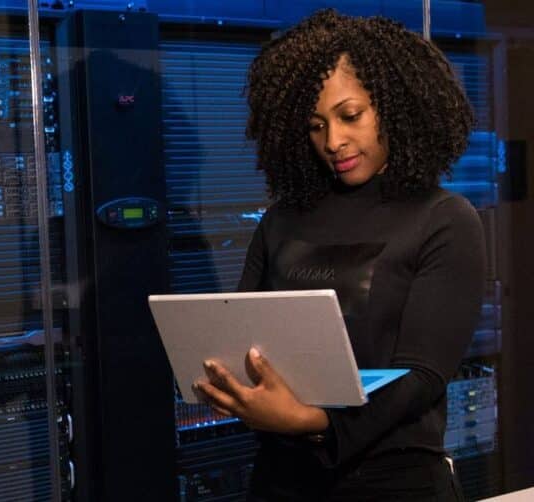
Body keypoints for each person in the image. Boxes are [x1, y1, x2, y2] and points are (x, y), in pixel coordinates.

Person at [193, 9, 486, 501]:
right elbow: (243, 338)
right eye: (315, 126)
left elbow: (423, 376)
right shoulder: (282, 221)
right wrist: (232, 388)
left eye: (351, 116)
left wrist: (315, 422)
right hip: (281, 483)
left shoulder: (444, 218)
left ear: (393, 107)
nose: (333, 142)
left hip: (395, 485)